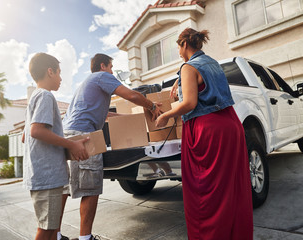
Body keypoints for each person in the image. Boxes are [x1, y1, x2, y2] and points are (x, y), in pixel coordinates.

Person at [156, 28, 253, 239]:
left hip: (207, 130)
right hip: (231, 124)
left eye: (178, 48)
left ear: (184, 44)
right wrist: (179, 81)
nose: (179, 53)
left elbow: (190, 103)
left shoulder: (188, 67)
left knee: (205, 194)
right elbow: (202, 82)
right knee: (231, 188)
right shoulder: (214, 63)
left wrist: (167, 116)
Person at [62, 53, 162, 240]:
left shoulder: (87, 84)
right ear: (103, 66)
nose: (112, 71)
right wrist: (151, 106)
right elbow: (131, 94)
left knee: (65, 188)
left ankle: (55, 235)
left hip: (68, 135)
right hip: (85, 136)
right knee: (91, 188)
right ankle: (85, 238)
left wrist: (132, 120)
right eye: (111, 67)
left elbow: (106, 114)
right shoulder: (102, 76)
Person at [22, 52, 89, 240]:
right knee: (46, 230)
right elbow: (36, 132)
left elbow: (25, 136)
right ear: (50, 72)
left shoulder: (34, 97)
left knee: (52, 230)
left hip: (41, 174)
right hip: (47, 175)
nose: (61, 78)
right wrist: (71, 144)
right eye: (59, 73)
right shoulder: (45, 96)